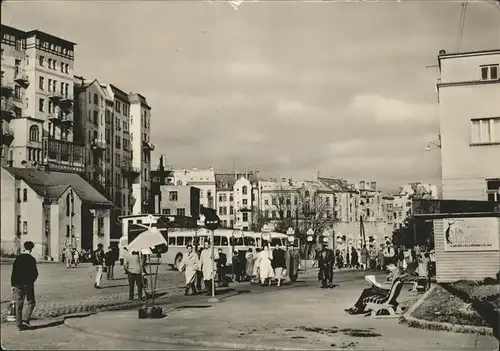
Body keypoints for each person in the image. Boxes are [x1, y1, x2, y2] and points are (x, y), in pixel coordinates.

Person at [11, 241, 38, 331]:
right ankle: (26, 319)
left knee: (19, 304)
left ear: (24, 248)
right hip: (28, 284)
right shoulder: (31, 259)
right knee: (31, 302)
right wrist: (31, 280)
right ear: (31, 249)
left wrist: (13, 285)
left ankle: (19, 324)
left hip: (18, 284)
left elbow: (14, 272)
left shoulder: (18, 259)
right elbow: (35, 273)